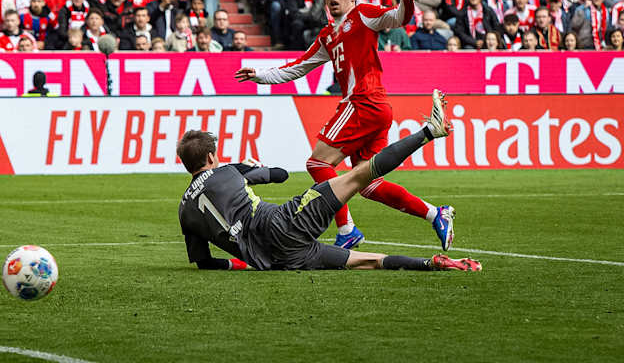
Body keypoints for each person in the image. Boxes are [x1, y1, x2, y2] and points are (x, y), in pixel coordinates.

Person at [234, 0, 455, 250]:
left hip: (363, 101)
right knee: (366, 184)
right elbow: (297, 68)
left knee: (318, 163)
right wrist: (260, 75)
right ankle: (435, 214)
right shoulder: (328, 35)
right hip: (376, 108)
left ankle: (347, 229)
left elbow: (400, 17)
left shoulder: (362, 14)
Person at [177, 95, 481, 272]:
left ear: (187, 163)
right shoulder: (229, 171)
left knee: (369, 262)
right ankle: (430, 131)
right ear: (212, 156)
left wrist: (240, 264)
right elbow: (280, 175)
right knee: (360, 174)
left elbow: (203, 262)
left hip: (278, 260)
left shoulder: (184, 210)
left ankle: (430, 264)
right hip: (285, 224)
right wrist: (253, 168)